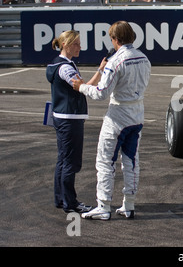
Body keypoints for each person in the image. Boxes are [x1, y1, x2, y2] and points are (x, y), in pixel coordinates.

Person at [72, 21, 151, 220]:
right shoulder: (144, 58)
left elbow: (101, 93)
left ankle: (104, 206)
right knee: (131, 161)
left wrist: (81, 87)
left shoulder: (116, 61)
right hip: (137, 114)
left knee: (105, 161)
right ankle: (129, 205)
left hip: (117, 116)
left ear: (115, 40)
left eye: (112, 39)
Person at [46, 30, 107, 214]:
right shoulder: (65, 68)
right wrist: (100, 71)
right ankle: (70, 202)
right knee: (70, 162)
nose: (80, 47)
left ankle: (61, 198)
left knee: (63, 160)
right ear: (65, 44)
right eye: (76, 44)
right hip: (69, 118)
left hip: (62, 116)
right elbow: (82, 87)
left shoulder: (59, 64)